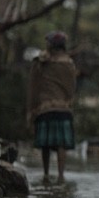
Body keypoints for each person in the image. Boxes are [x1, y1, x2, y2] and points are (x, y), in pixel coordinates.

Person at [27, 31, 77, 182]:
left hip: (45, 109)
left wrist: (30, 111)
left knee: (45, 146)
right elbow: (72, 88)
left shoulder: (41, 62)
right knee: (61, 144)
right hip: (63, 109)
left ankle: (46, 174)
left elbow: (33, 87)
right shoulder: (69, 63)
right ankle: (61, 176)